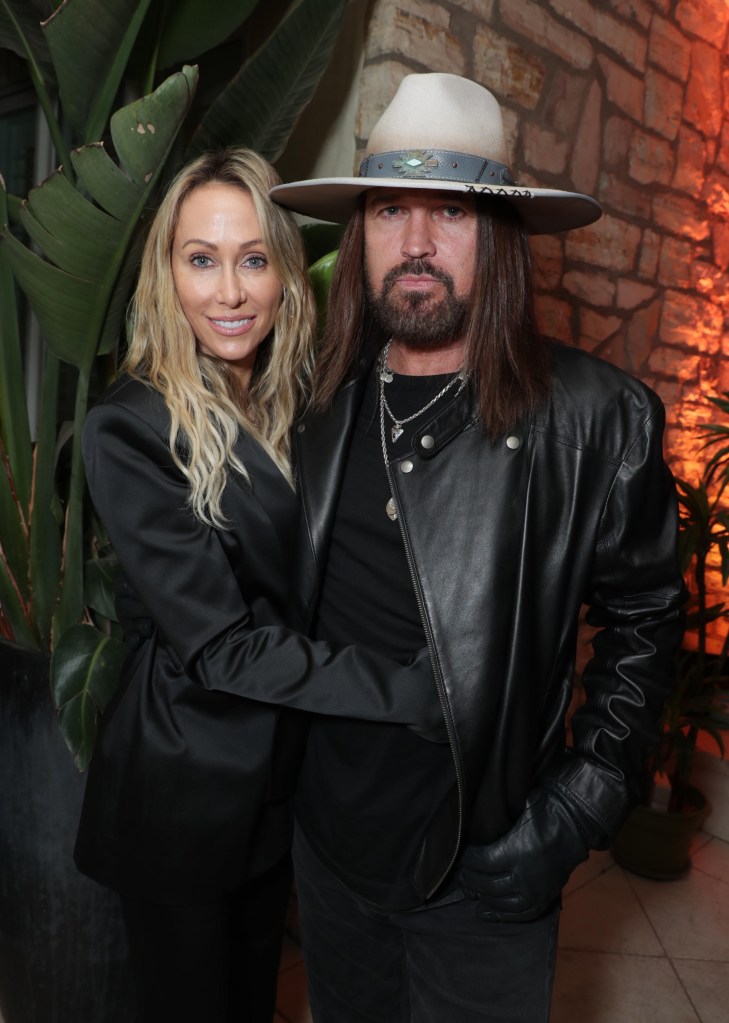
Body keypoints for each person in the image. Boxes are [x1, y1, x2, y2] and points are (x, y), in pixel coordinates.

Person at [270, 73, 686, 1022]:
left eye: (450, 211)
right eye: (387, 209)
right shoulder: (314, 403)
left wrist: (578, 807)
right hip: (327, 857)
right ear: (359, 229)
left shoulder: (596, 419)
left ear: (498, 236)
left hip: (486, 872)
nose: (414, 244)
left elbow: (646, 618)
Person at [75, 147, 441, 1023]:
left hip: (277, 786)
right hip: (184, 788)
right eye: (200, 259)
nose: (228, 292)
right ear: (166, 276)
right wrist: (411, 691)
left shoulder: (295, 406)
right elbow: (222, 643)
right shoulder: (129, 427)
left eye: (252, 259)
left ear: (284, 272)